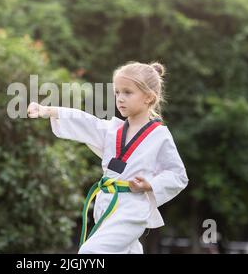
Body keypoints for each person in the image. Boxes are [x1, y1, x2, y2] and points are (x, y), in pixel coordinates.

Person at [27, 61, 189, 254]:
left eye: (127, 92)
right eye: (117, 92)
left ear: (148, 97)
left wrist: (150, 184)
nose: (120, 98)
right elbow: (86, 122)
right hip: (105, 205)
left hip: (131, 209)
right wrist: (48, 111)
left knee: (90, 253)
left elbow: (178, 175)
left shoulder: (159, 135)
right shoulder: (113, 129)